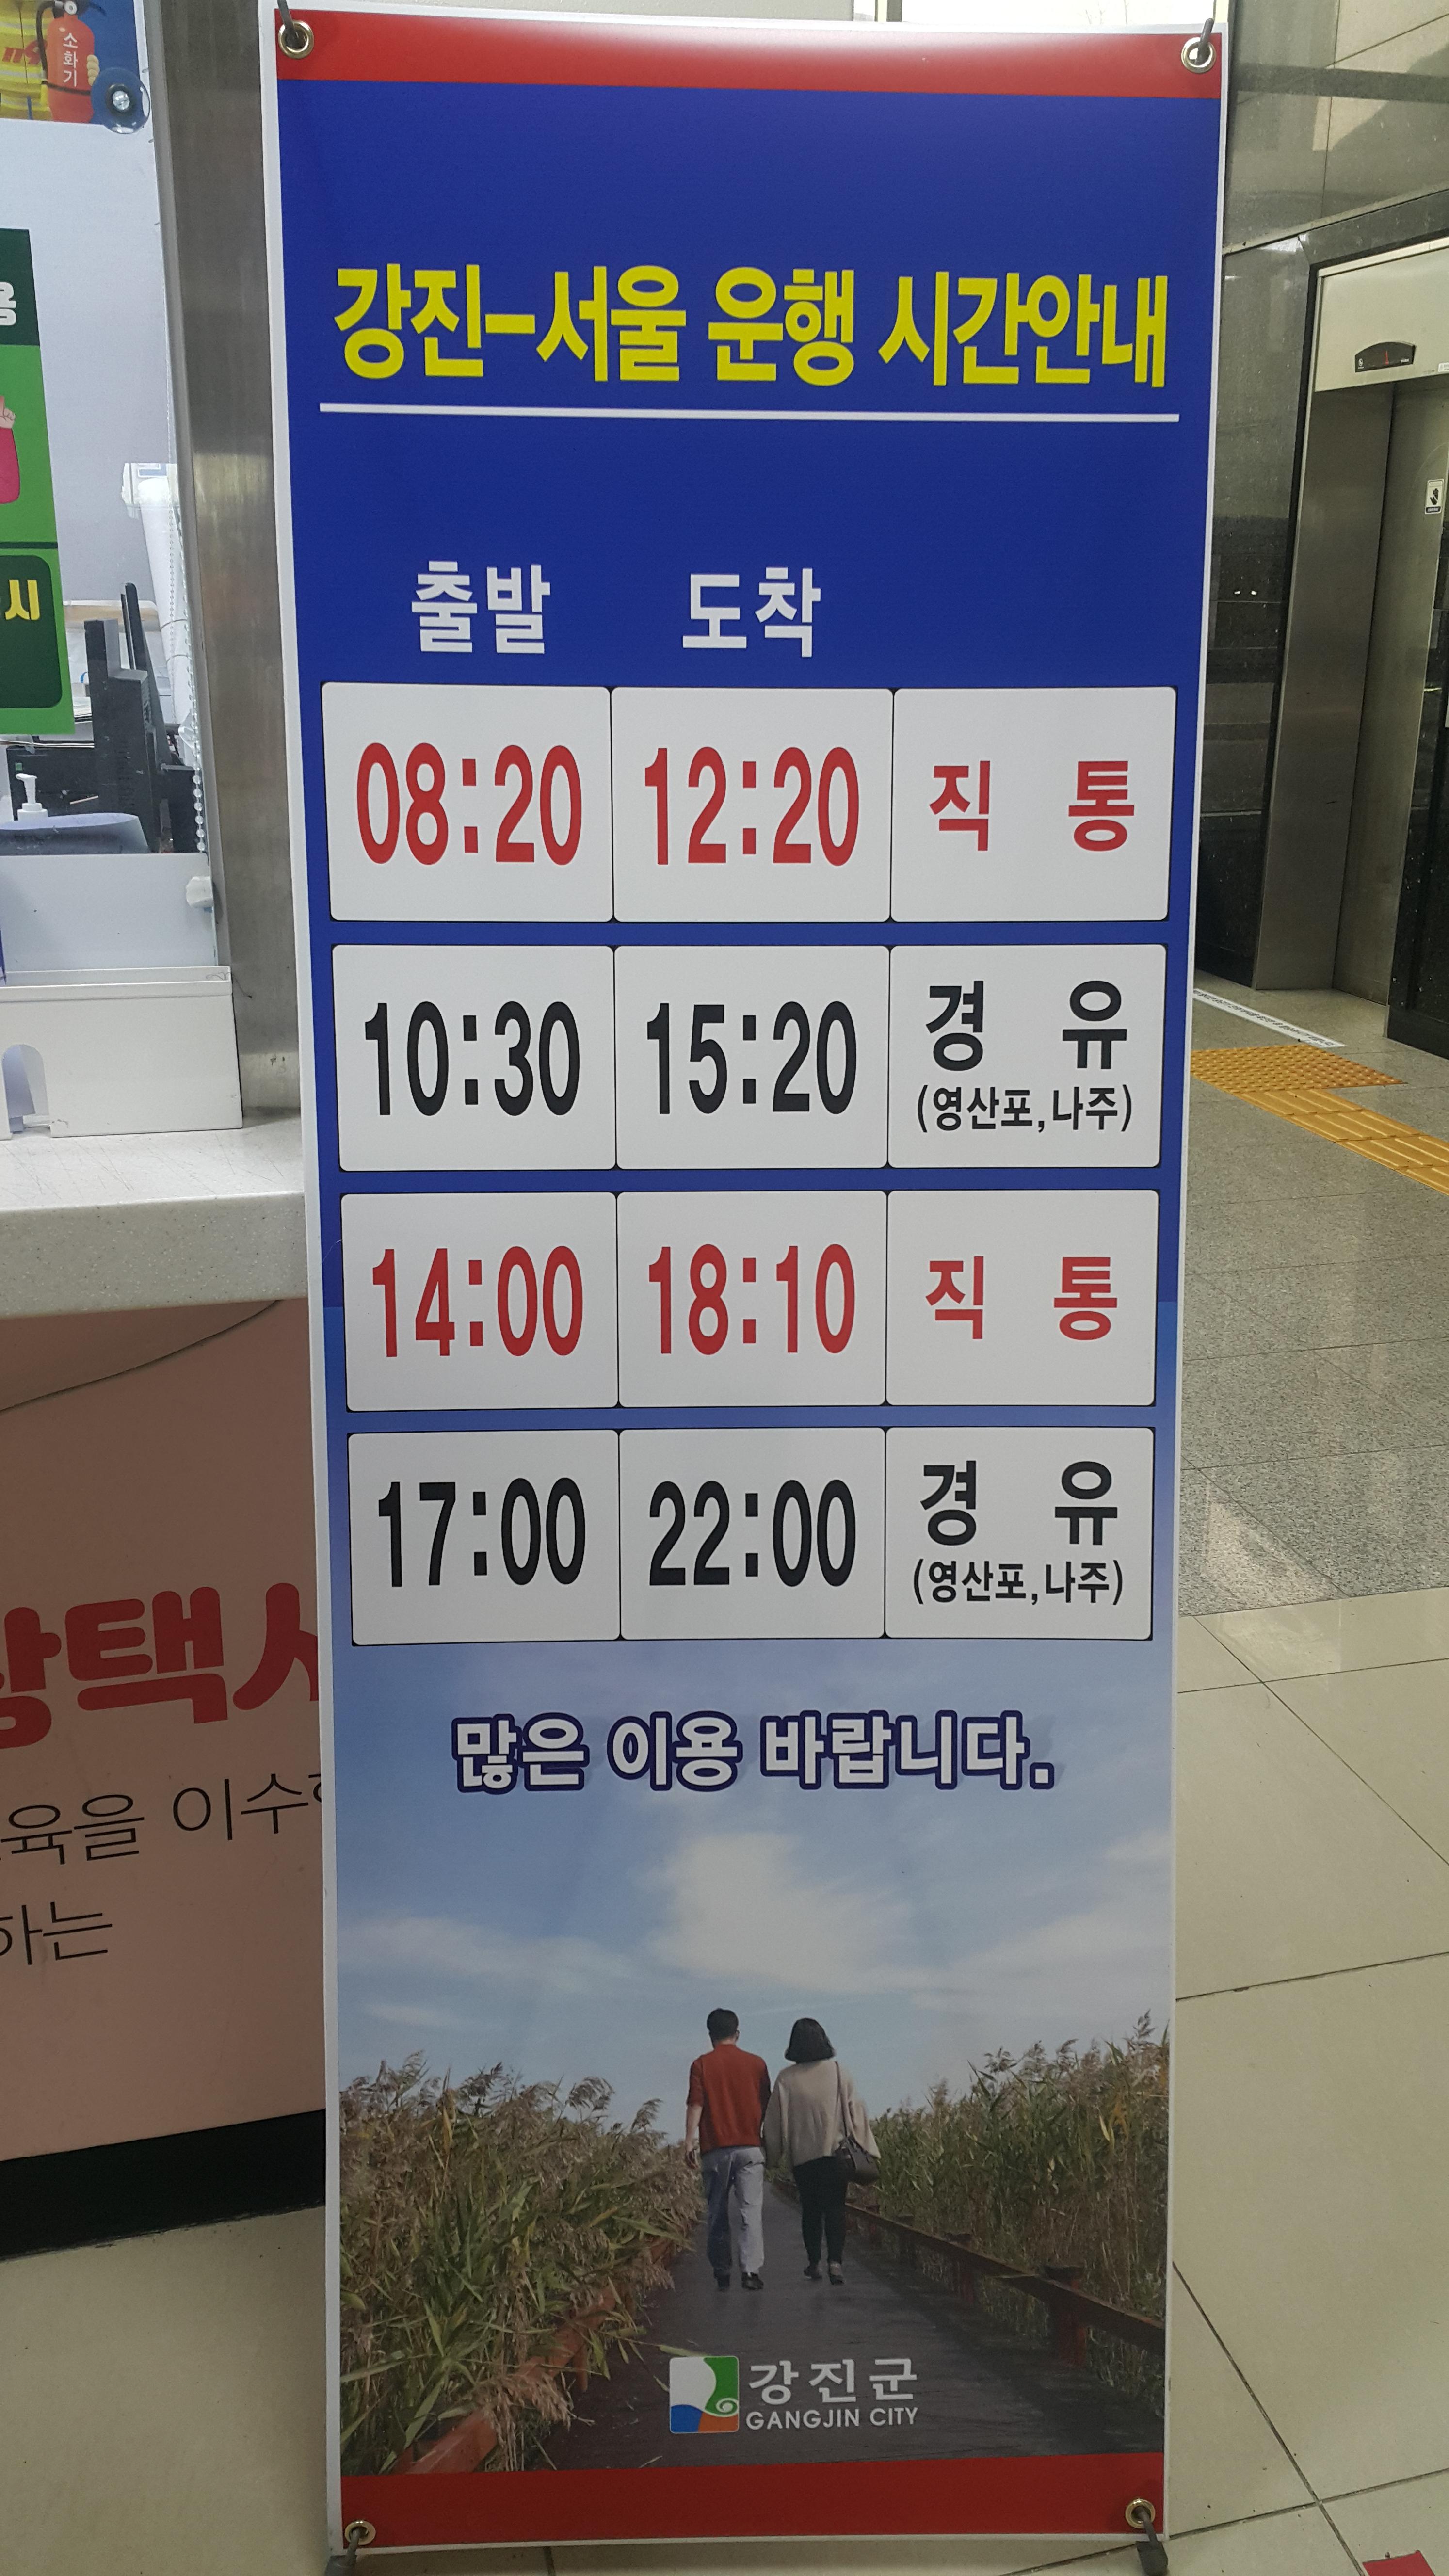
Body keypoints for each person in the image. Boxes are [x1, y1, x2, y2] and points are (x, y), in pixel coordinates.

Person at [763, 2016, 876, 2286]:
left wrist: (772, 2156)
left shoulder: (786, 2079)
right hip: (836, 2156)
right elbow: (857, 2111)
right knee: (836, 2209)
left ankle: (814, 2263)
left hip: (804, 2160)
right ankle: (835, 2263)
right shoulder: (839, 2071)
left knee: (811, 2211)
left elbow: (774, 2123)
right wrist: (868, 2147)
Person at [685, 2007, 771, 2291]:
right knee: (750, 2211)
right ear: (738, 2033)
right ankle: (751, 2272)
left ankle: (722, 2271)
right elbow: (767, 2105)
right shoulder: (757, 2064)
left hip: (715, 2149)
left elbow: (696, 2104)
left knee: (717, 2213)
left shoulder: (701, 2065)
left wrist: (689, 2141)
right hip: (750, 2148)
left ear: (710, 2035)